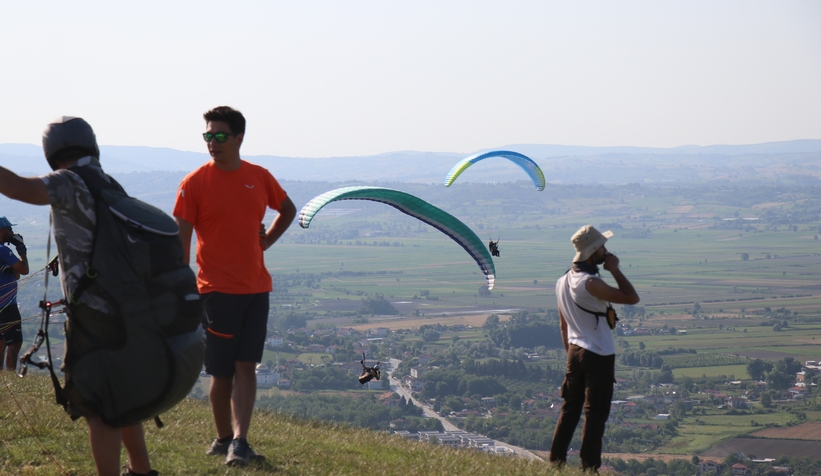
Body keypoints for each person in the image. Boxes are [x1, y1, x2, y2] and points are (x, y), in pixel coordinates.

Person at [0, 117, 157, 476]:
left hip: (94, 317)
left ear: (51, 153)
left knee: (98, 410)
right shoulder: (109, 183)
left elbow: (18, 188)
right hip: (128, 310)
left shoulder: (69, 181)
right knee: (122, 399)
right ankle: (142, 470)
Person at [173, 106, 296, 467]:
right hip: (216, 291)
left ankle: (239, 441)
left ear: (239, 137)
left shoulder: (258, 176)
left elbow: (287, 210)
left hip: (257, 288)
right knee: (221, 371)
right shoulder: (194, 183)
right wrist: (184, 292)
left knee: (246, 365)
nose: (213, 143)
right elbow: (180, 244)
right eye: (208, 136)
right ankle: (224, 437)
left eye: (220, 136)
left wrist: (268, 241)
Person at [549, 225, 639, 471]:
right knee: (595, 413)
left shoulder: (562, 281)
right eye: (602, 247)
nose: (606, 251)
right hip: (597, 353)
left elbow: (562, 325)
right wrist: (615, 270)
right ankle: (589, 468)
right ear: (592, 251)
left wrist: (570, 353)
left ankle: (555, 463)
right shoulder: (590, 283)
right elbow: (632, 297)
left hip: (574, 350)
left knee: (569, 410)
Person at [0, 216, 29, 371]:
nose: (12, 233)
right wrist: (21, 249)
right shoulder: (3, 250)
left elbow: (16, 274)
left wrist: (11, 269)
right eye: (10, 230)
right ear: (2, 231)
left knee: (1, 343)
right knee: (14, 343)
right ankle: (11, 377)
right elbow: (24, 270)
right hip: (6, 306)